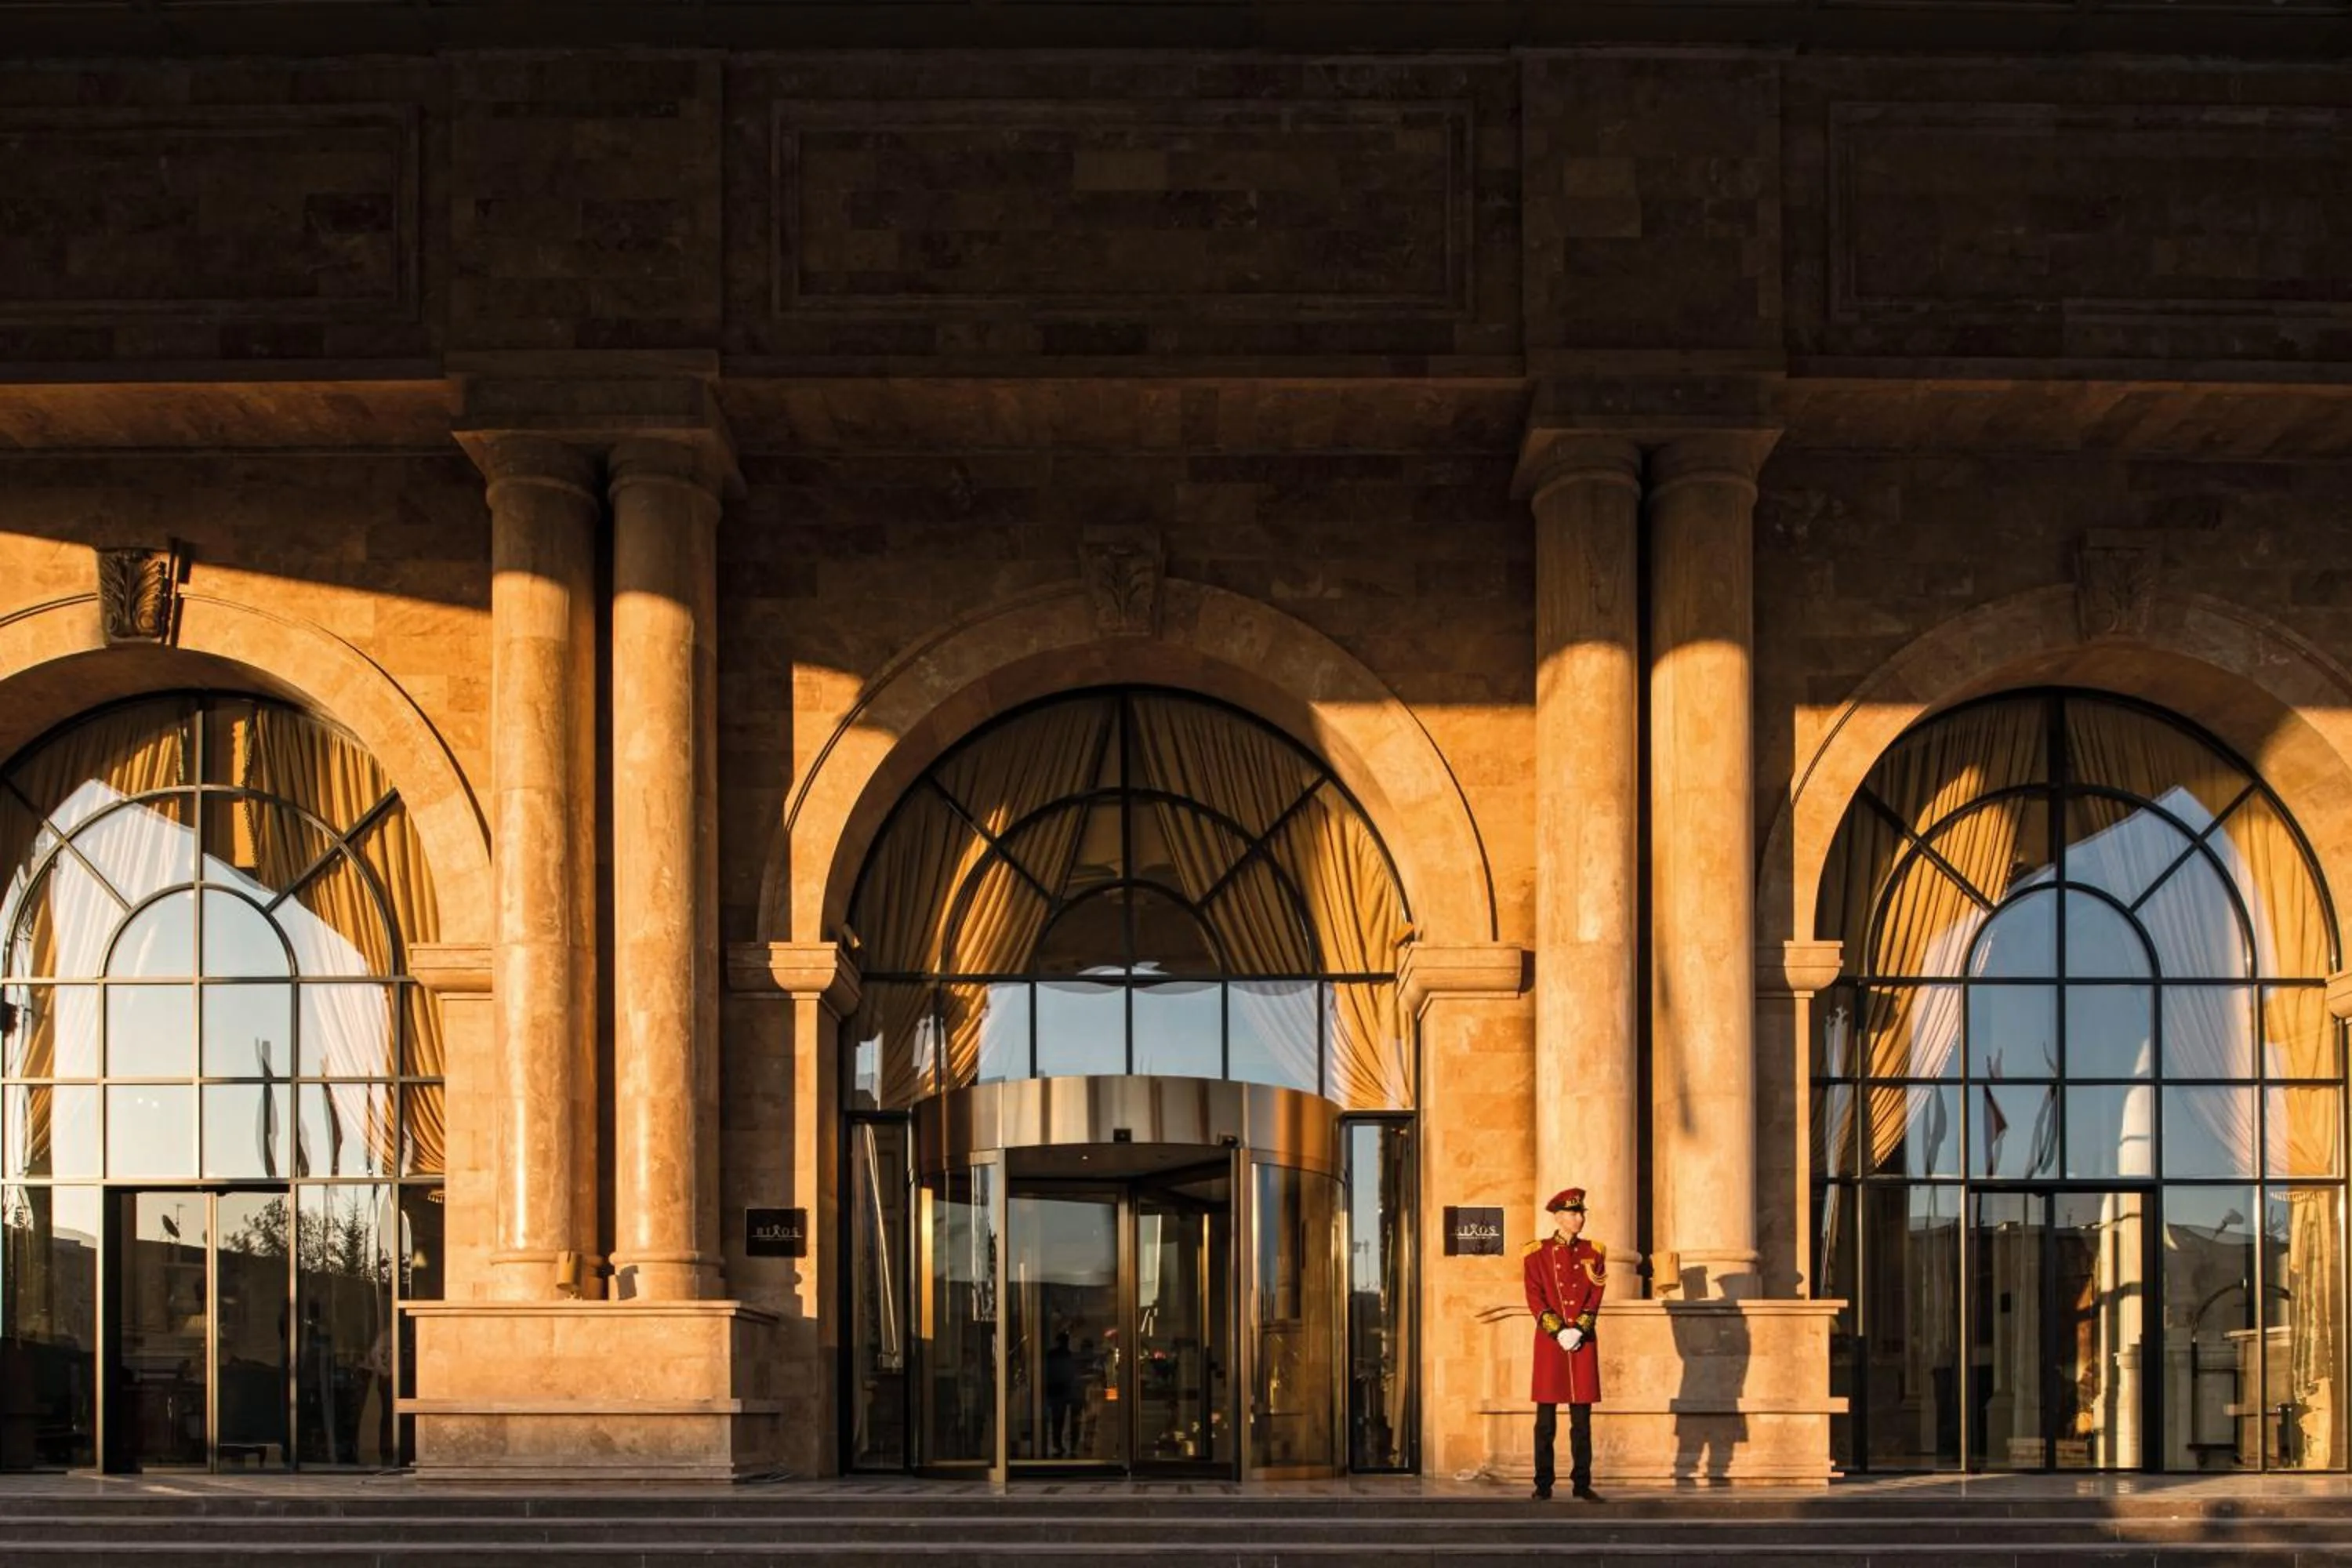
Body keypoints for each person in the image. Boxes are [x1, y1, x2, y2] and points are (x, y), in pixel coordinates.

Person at [1523, 1186, 1605, 1501]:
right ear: (1558, 1217)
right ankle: (1543, 1484)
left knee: (1581, 1421)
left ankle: (1582, 1483)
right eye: (1573, 1213)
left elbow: (1595, 1296)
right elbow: (1534, 1296)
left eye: (1581, 1212)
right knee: (1545, 1421)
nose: (1580, 1218)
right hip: (1550, 1343)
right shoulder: (1536, 1253)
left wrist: (1579, 1329)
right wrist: (1557, 1330)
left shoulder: (1594, 1252)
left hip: (1582, 1343)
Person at [1042, 1331, 1077, 1458]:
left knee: (1055, 1419)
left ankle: (1056, 1443)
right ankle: (1057, 1443)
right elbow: (1070, 1373)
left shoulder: (1051, 1355)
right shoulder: (1066, 1355)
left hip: (1054, 1390)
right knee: (1059, 1419)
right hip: (1061, 1391)